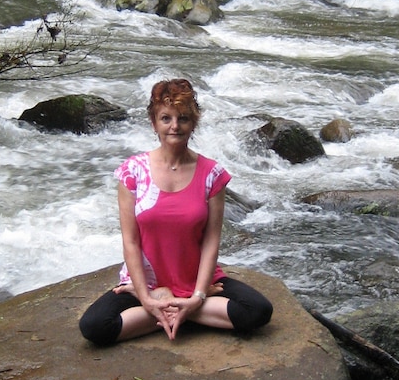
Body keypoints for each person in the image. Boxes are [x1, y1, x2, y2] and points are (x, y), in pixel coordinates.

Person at [79, 78, 273, 345]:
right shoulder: (132, 172)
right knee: (93, 326)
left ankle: (179, 309)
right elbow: (130, 241)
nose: (174, 126)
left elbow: (211, 240)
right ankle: (169, 306)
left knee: (258, 310)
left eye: (183, 118)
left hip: (198, 282)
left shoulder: (212, 174)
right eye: (166, 118)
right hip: (146, 284)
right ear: (154, 123)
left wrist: (197, 297)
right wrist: (146, 298)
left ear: (193, 123)